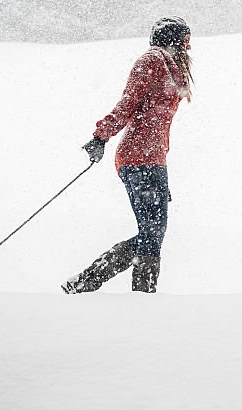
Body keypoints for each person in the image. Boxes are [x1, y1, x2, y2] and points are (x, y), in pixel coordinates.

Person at [62, 17, 193, 294]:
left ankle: (126, 293)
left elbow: (158, 121)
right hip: (137, 157)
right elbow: (128, 102)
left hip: (154, 159)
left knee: (154, 233)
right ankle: (99, 286)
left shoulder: (169, 66)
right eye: (185, 40)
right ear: (173, 40)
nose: (188, 47)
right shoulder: (151, 62)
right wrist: (101, 136)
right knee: (152, 233)